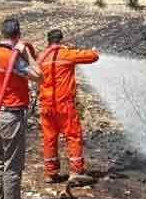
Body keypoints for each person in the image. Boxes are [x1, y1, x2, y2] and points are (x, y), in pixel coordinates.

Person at [0, 18, 42, 199]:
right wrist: (26, 53)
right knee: (13, 164)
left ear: (2, 33)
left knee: (0, 159)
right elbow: (38, 75)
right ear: (17, 35)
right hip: (11, 115)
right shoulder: (13, 58)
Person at [37, 29, 99, 184]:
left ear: (48, 41)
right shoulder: (67, 54)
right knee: (73, 135)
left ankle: (51, 173)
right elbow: (93, 57)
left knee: (49, 138)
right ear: (61, 40)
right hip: (64, 104)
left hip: (46, 105)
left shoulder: (41, 57)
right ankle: (76, 172)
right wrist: (88, 50)